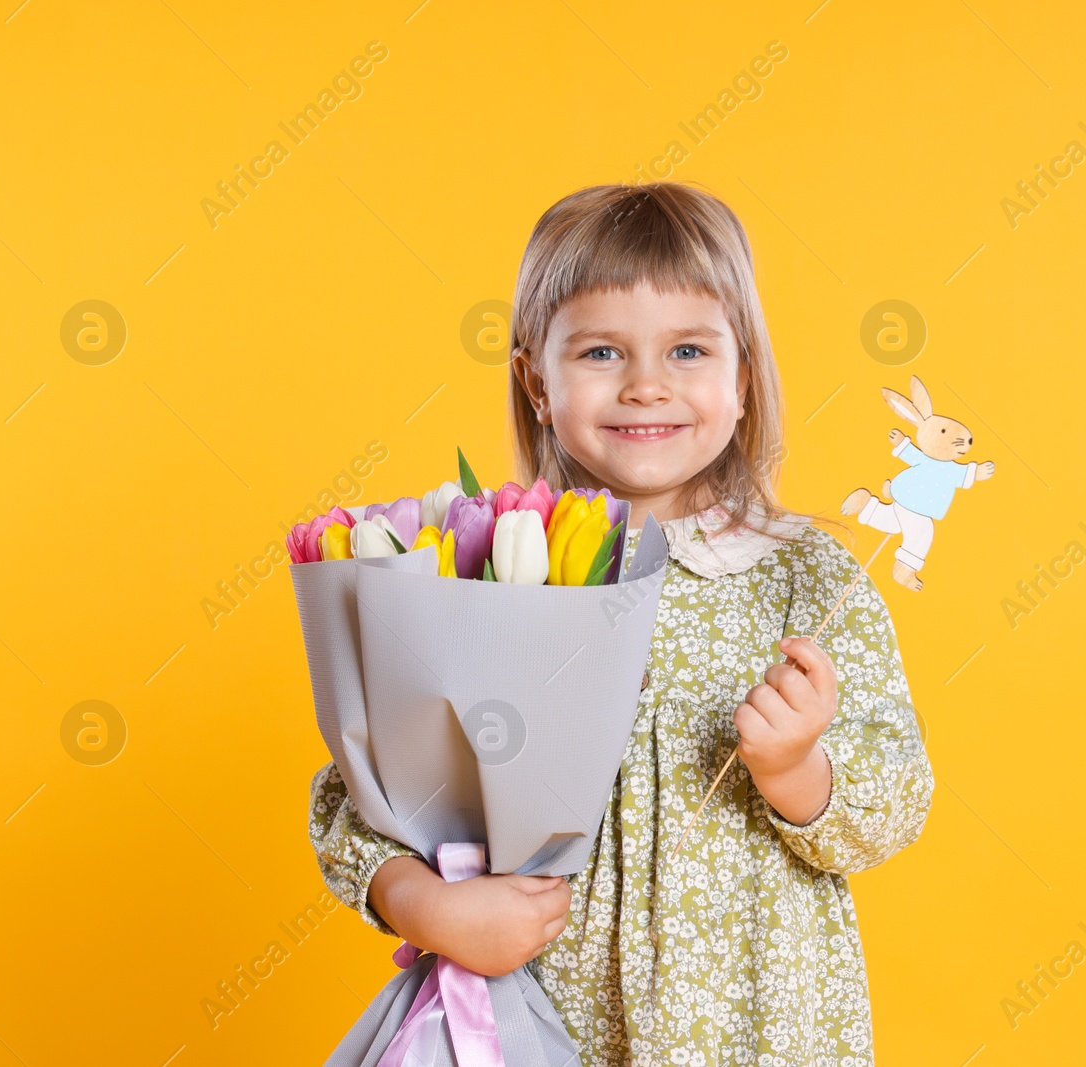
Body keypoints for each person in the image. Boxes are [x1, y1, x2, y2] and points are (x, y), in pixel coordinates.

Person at [309, 181, 934, 1065]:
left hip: (754, 1021)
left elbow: (895, 798)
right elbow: (363, 798)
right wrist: (433, 909)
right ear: (536, 381)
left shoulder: (802, 574)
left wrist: (797, 766)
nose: (647, 386)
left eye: (688, 349)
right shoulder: (489, 568)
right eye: (603, 351)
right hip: (547, 1013)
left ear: (745, 377)